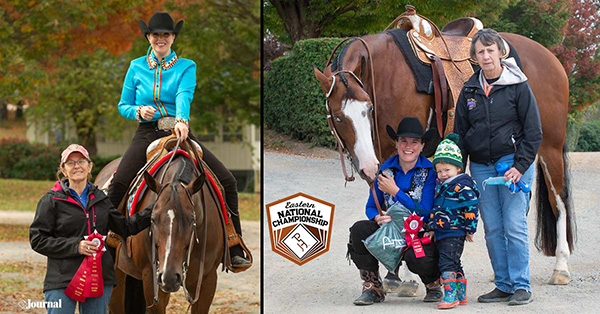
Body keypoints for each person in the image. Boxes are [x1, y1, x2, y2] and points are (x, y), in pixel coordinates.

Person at [107, 12, 250, 269]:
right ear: (148, 37)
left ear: (173, 38)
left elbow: (185, 94)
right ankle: (111, 240)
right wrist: (138, 112)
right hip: (147, 132)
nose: (160, 38)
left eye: (166, 34)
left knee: (227, 180)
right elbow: (123, 105)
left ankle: (233, 243)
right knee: (118, 183)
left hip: (178, 130)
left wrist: (182, 120)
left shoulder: (187, 66)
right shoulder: (135, 66)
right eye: (155, 34)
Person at [454, 28, 542, 305]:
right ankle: (503, 284)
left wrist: (519, 166)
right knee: (492, 227)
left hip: (513, 167)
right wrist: (458, 171)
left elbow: (534, 132)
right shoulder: (469, 89)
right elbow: (460, 134)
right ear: (475, 57)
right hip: (481, 168)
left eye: (490, 50)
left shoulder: (518, 86)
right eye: (480, 51)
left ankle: (521, 285)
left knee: (514, 225)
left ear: (500, 52)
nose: (486, 55)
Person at [30, 144, 154, 314]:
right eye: (70, 163)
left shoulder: (102, 199)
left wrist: (155, 209)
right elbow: (37, 240)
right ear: (63, 170)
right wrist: (76, 246)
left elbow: (125, 227)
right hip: (61, 280)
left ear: (89, 167)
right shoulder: (51, 201)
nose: (76, 166)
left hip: (99, 279)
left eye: (81, 161)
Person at [347, 117, 441, 305]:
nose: (409, 146)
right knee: (358, 230)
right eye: (403, 141)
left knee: (416, 257)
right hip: (392, 230)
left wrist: (395, 192)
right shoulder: (386, 169)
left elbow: (425, 212)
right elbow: (371, 205)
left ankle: (433, 283)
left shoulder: (429, 171)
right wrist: (377, 217)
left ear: (422, 146)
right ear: (396, 143)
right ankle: (372, 286)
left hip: (418, 232)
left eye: (414, 142)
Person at [428, 133, 479, 309]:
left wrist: (470, 229)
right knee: (454, 262)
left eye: (447, 170)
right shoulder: (441, 185)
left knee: (446, 262)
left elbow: (472, 207)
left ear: (458, 168)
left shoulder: (463, 185)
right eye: (440, 171)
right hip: (443, 230)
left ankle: (450, 296)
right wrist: (432, 226)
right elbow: (437, 209)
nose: (443, 174)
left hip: (454, 231)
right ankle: (460, 294)